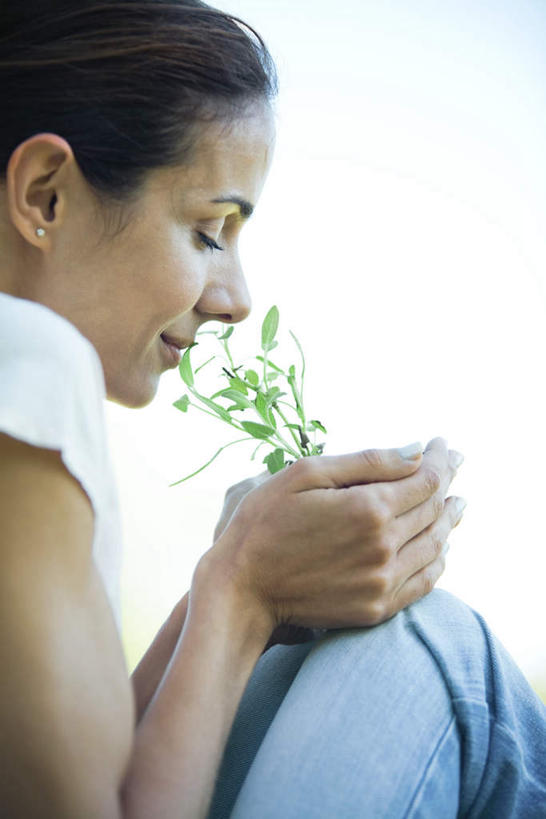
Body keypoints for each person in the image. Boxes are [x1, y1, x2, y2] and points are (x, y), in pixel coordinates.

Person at [0, 1, 544, 816]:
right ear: (45, 197)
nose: (237, 300)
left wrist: (222, 585)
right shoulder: (33, 366)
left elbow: (83, 782)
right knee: (438, 646)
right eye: (209, 230)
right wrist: (242, 587)